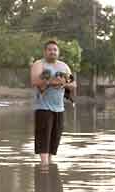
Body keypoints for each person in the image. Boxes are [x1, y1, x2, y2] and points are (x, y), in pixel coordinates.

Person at [31, 40, 76, 168]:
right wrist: (52, 82)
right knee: (43, 136)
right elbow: (34, 81)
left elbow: (73, 85)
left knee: (55, 138)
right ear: (45, 51)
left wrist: (63, 83)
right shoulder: (39, 64)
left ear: (58, 52)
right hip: (43, 107)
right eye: (50, 49)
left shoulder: (64, 66)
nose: (52, 52)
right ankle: (44, 165)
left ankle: (49, 165)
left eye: (55, 50)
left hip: (59, 108)